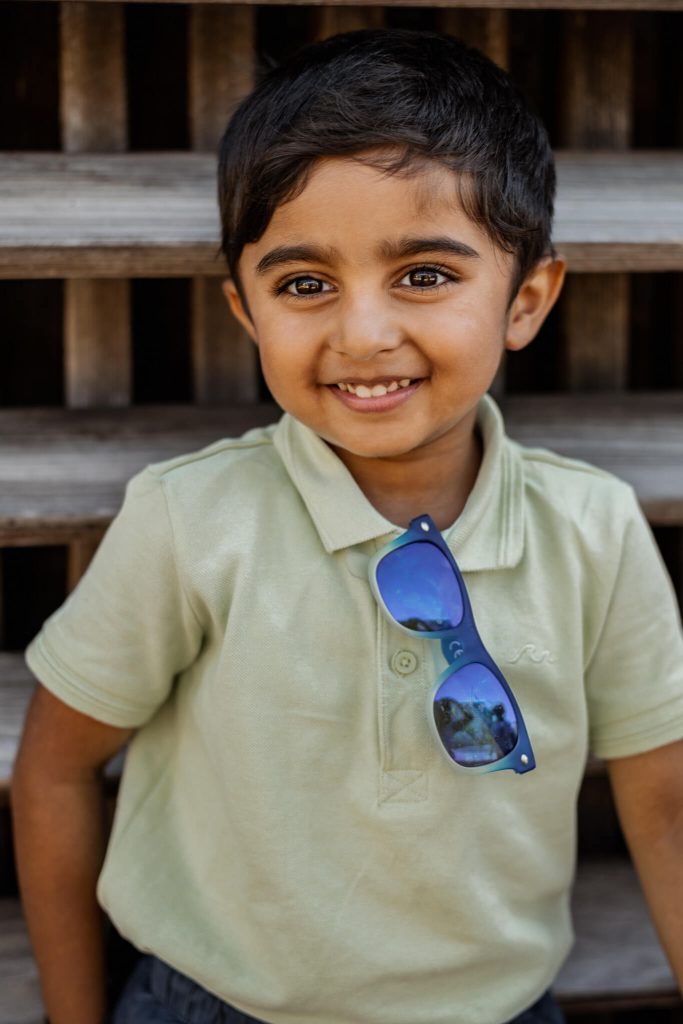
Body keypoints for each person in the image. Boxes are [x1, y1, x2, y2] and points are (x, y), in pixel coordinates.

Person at [11, 28, 683, 1024]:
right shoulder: (191, 520)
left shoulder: (591, 528)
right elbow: (55, 770)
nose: (362, 333)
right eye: (304, 284)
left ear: (525, 300)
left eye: (422, 273)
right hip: (210, 1004)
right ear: (245, 311)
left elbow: (665, 805)